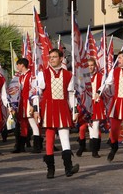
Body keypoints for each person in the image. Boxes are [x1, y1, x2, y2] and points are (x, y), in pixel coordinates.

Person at [32, 49, 79, 179]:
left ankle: (68, 168)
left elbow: (71, 94)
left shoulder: (69, 75)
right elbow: (37, 93)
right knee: (50, 137)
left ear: (61, 58)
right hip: (48, 107)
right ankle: (50, 169)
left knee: (65, 137)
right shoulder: (43, 74)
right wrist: (36, 110)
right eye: (50, 57)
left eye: (54, 57)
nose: (51, 59)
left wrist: (75, 110)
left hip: (63, 107)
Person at [13, 58, 43, 154]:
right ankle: (20, 146)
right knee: (23, 124)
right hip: (22, 103)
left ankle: (37, 146)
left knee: (33, 123)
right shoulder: (21, 77)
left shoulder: (31, 76)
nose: (17, 67)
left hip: (29, 102)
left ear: (22, 65)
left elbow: (33, 90)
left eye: (18, 65)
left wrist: (32, 104)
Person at [88, 58, 105, 158]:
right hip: (87, 103)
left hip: (96, 103)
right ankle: (92, 147)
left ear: (95, 66)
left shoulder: (100, 76)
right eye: (88, 65)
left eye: (91, 65)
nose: (90, 67)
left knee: (95, 126)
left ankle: (95, 150)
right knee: (90, 126)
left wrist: (99, 92)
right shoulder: (84, 77)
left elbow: (103, 87)